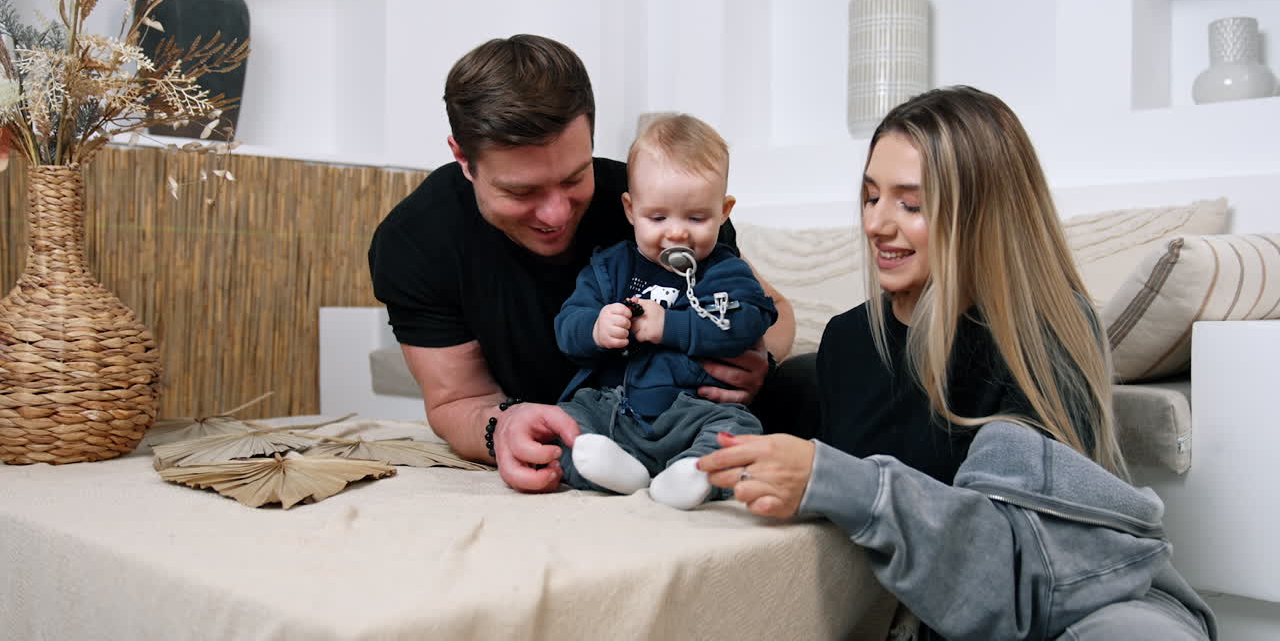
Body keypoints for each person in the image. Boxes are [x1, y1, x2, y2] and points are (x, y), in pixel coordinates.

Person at [697, 87, 1216, 640]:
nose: (877, 223)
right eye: (871, 197)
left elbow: (1019, 574)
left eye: (911, 204)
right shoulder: (848, 342)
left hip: (1061, 606)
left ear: (981, 211)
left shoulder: (1042, 338)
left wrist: (839, 481)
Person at [367, 34, 795, 494]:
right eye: (521, 191)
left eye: (574, 178)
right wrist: (504, 428)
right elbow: (460, 400)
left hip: (684, 406)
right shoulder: (416, 240)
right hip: (586, 421)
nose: (555, 214)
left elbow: (776, 314)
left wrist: (755, 358)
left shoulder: (657, 206)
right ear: (463, 158)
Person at [553, 113, 777, 510]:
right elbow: (566, 326)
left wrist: (669, 325)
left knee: (741, 429)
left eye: (696, 217)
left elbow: (749, 317)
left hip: (694, 411)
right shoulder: (609, 268)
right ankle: (613, 470)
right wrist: (595, 328)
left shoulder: (724, 269)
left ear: (724, 211)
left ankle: (694, 473)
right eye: (657, 217)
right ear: (630, 209)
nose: (677, 233)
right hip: (613, 409)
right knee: (564, 424)